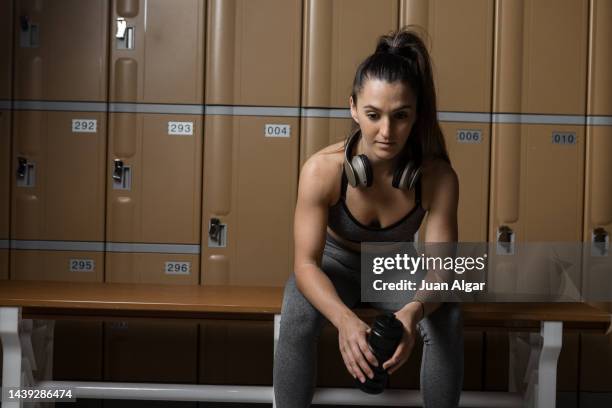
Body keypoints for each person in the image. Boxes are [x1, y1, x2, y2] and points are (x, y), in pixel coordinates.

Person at [273, 27, 464, 408]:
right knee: (296, 314)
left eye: (401, 116)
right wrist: (344, 320)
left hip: (396, 265)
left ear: (416, 115)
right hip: (332, 266)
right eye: (374, 115)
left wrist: (413, 312)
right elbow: (306, 264)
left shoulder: (437, 177)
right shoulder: (322, 170)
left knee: (447, 314)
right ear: (353, 108)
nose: (386, 132)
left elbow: (443, 269)